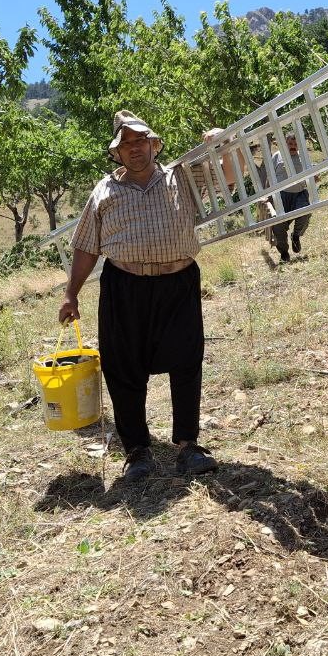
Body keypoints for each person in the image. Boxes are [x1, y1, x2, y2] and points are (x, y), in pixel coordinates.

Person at [59, 111, 217, 483]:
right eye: (125, 144)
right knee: (122, 365)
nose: (134, 149)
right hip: (124, 286)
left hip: (178, 282)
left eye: (140, 141)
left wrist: (220, 143)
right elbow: (86, 247)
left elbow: (227, 174)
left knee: (186, 359)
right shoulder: (104, 192)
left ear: (154, 144)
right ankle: (137, 451)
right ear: (116, 153)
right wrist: (71, 294)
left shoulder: (182, 174)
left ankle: (188, 446)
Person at [261, 131, 312, 262]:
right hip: (280, 196)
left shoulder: (303, 157)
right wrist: (267, 194)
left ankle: (296, 236)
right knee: (278, 224)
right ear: (284, 144)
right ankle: (284, 252)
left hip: (299, 194)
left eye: (295, 144)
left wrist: (314, 178)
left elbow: (310, 173)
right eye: (290, 143)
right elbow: (270, 176)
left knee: (305, 213)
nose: (293, 146)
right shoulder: (277, 156)